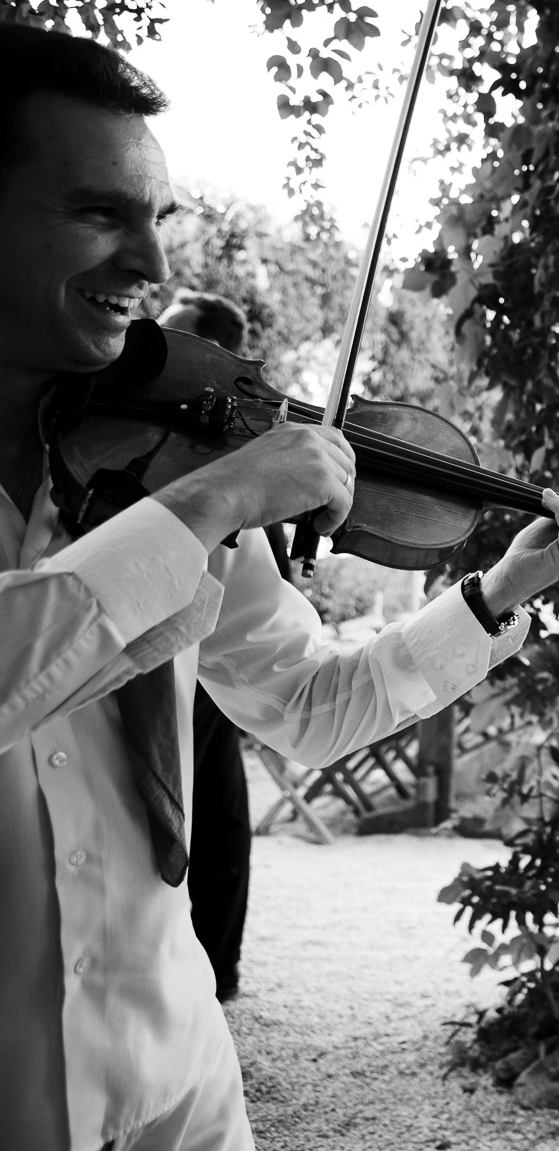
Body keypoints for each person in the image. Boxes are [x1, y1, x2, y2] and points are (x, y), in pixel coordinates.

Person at [0, 20, 559, 1151]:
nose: (151, 270)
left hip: (174, 1081)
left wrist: (492, 596)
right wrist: (201, 510)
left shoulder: (155, 464)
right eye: (99, 212)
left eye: (158, 219)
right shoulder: (188, 499)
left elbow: (306, 704)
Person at [154, 290, 257, 1000]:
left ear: (212, 358)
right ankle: (211, 965)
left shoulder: (227, 440)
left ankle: (214, 965)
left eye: (172, 340)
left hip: (209, 628)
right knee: (212, 797)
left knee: (208, 800)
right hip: (182, 627)